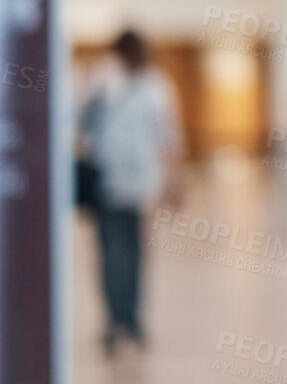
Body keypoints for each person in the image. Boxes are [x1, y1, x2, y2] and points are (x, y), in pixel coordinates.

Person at [75, 28, 184, 355]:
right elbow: (82, 122)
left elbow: (168, 134)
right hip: (106, 181)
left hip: (140, 185)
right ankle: (113, 319)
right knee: (110, 253)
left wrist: (174, 180)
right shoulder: (102, 80)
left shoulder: (157, 86)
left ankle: (131, 317)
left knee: (134, 252)